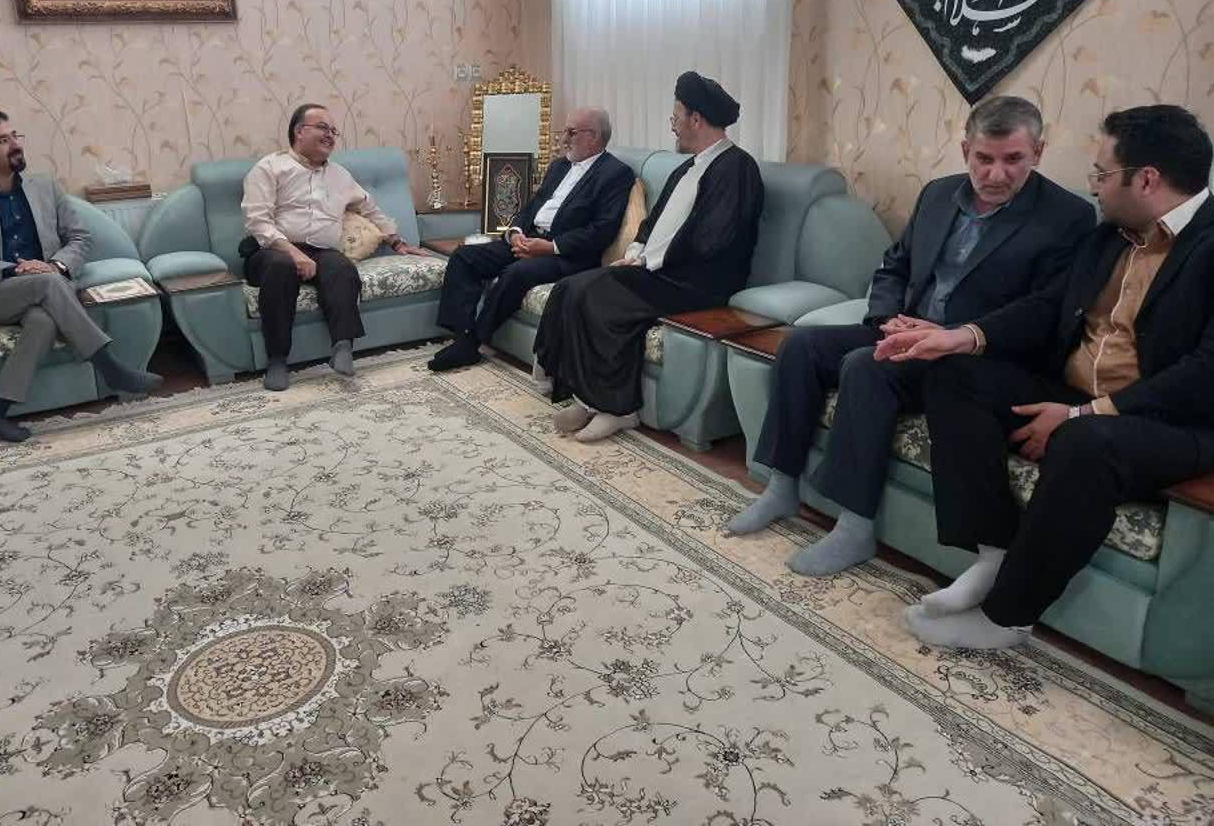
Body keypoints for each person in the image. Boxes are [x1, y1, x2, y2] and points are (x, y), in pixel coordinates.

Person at [874, 104, 1214, 650]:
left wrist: (1081, 414)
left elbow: (1204, 373)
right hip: (1077, 394)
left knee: (1084, 443)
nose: (1094, 186)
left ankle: (1006, 619)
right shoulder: (1112, 236)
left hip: (1171, 421)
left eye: (1102, 173)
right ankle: (993, 551)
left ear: (1146, 180)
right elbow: (1049, 305)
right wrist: (959, 337)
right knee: (954, 374)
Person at [727, 96, 1096, 579]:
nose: (996, 174)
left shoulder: (1067, 217)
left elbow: (1044, 311)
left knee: (867, 366)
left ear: (1038, 152)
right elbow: (894, 265)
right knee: (800, 344)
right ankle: (780, 487)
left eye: (1013, 159)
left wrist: (953, 335)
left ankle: (854, 527)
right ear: (965, 150)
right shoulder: (939, 194)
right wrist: (887, 319)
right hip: (906, 330)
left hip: (974, 357)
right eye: (984, 158)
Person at [533, 71, 764, 443]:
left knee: (600, 297)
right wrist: (636, 252)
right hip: (662, 271)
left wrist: (648, 262)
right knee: (574, 287)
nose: (672, 126)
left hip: (698, 282)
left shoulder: (737, 168)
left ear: (695, 119)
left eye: (676, 117)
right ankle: (588, 398)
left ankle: (619, 409)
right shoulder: (687, 166)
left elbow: (712, 239)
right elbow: (652, 223)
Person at [0, 110, 163, 442]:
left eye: (15, 136)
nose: (15, 144)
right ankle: (110, 368)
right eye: (2, 140)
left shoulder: (46, 187)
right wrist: (16, 269)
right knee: (46, 283)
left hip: (48, 286)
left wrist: (57, 266)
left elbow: (79, 238)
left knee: (43, 321)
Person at [428, 107, 634, 372]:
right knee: (464, 256)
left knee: (516, 272)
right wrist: (515, 233)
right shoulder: (559, 166)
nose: (564, 139)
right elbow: (532, 206)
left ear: (593, 137)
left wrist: (551, 247)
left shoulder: (615, 174)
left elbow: (602, 230)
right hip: (530, 239)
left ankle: (473, 343)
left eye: (571, 132)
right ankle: (462, 335)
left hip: (567, 255)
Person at [241, 103, 423, 390]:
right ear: (299, 131)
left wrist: (397, 241)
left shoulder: (340, 175)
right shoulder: (269, 168)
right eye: (322, 128)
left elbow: (370, 209)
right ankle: (277, 360)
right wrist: (294, 254)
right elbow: (258, 222)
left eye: (333, 131)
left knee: (342, 268)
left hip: (321, 251)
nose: (330, 135)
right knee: (281, 268)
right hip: (272, 250)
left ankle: (342, 347)